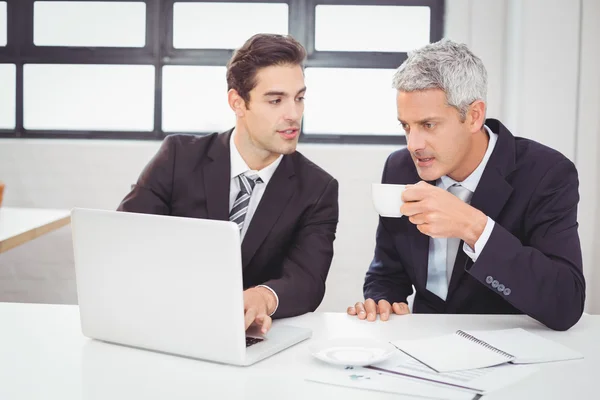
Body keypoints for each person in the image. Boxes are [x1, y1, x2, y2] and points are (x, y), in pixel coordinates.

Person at [347, 39, 585, 331]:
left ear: (473, 116)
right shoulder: (399, 167)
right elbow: (387, 272)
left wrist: (474, 228)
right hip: (423, 343)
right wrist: (383, 300)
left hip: (510, 346)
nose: (413, 144)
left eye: (428, 125)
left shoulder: (547, 174)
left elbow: (566, 303)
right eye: (406, 126)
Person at [118, 33, 339, 334]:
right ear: (237, 102)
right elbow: (125, 240)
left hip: (250, 337)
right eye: (276, 100)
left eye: (299, 98)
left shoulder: (317, 188)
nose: (293, 114)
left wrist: (262, 296)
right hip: (167, 322)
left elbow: (308, 280)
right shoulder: (178, 157)